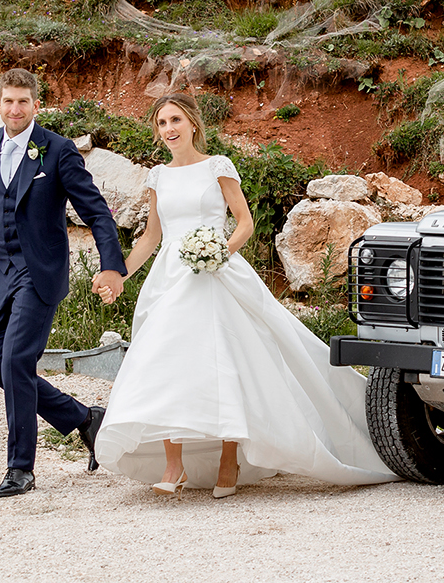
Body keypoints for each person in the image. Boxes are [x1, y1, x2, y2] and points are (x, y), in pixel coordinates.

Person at [92, 93, 399, 496]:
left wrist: (219, 252)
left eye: (176, 120)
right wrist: (119, 275)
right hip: (170, 276)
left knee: (225, 360)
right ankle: (173, 465)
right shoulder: (158, 177)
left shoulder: (217, 167)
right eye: (162, 123)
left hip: (216, 273)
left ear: (193, 124)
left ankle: (228, 459)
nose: (169, 129)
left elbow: (244, 223)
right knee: (165, 362)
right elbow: (152, 236)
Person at [0, 68, 129, 497]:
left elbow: (96, 211)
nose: (15, 109)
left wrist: (111, 265)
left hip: (38, 274)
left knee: (17, 363)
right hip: (0, 271)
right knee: (3, 372)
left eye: (24, 101)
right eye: (8, 101)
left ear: (36, 105)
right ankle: (84, 419)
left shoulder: (57, 152)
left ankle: (21, 468)